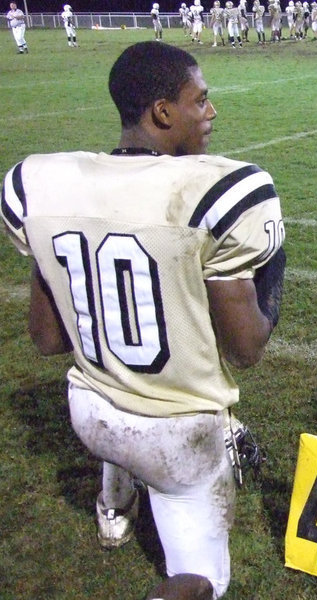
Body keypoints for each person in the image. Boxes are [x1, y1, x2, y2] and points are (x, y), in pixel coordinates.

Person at [1, 41, 285, 600]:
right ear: (163, 112)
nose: (211, 113)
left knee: (116, 413)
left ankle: (115, 504)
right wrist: (272, 272)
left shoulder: (45, 185)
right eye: (200, 101)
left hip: (92, 413)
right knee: (204, 583)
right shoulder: (217, 193)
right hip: (178, 435)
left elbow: (46, 338)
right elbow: (247, 348)